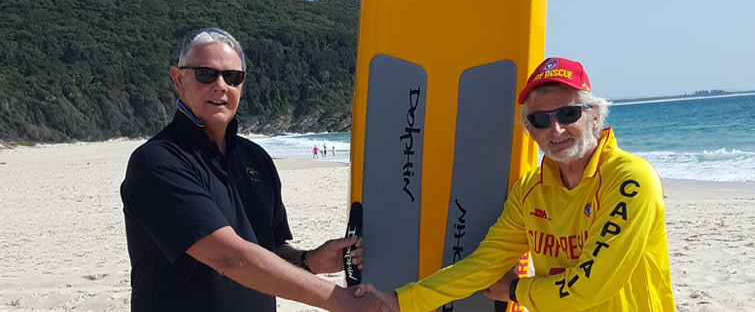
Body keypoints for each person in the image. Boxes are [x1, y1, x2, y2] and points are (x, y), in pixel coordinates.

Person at [356, 57, 675, 311]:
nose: (556, 129)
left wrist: (514, 289)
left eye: (568, 113)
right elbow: (482, 266)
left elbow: (590, 286)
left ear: (593, 116)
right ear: (530, 131)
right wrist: (399, 302)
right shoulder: (529, 192)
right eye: (540, 119)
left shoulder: (630, 179)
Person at [120, 28, 384, 312]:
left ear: (242, 85)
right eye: (206, 74)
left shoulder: (256, 159)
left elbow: (270, 251)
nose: (221, 86)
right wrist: (341, 300)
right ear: (178, 79)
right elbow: (228, 257)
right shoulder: (157, 162)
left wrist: (310, 260)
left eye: (232, 77)